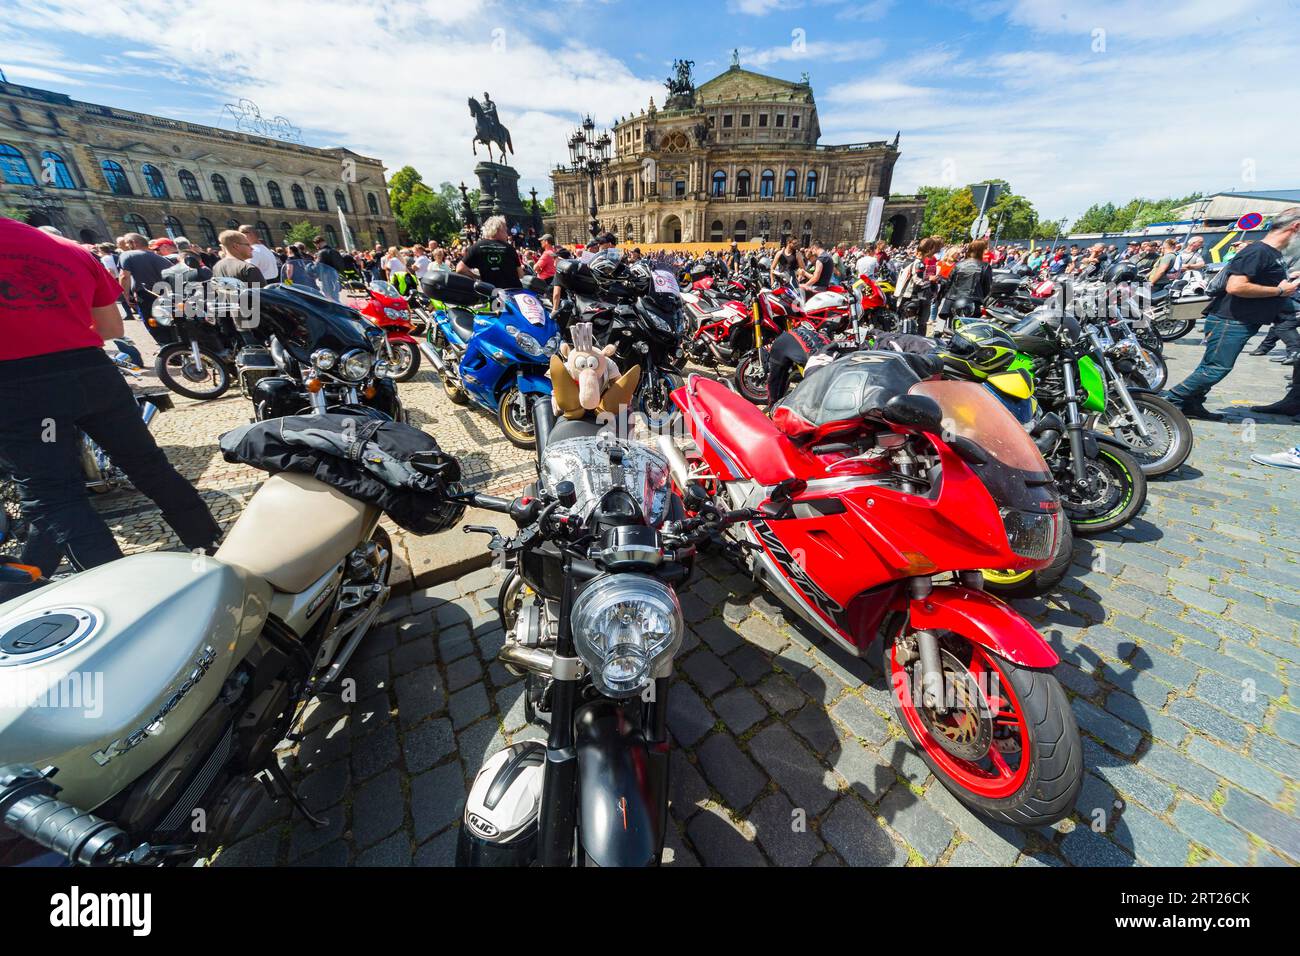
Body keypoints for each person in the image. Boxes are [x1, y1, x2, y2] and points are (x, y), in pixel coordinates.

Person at [0, 217, 221, 593]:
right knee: (149, 467)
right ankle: (209, 547)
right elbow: (112, 329)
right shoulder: (66, 248)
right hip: (91, 373)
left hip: (24, 388)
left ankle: (121, 592)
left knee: (55, 494)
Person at [1163, 207, 1300, 420]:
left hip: (1240, 321)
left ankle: (1191, 404)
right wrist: (1281, 290)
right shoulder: (1258, 251)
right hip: (1230, 321)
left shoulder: (1271, 253)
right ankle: (1167, 401)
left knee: (1211, 366)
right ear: (1296, 227)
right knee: (1217, 368)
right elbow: (1236, 286)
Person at [117, 232, 177, 344]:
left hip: (147, 296)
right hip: (166, 294)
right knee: (169, 324)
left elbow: (124, 277)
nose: (122, 247)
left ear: (133, 243)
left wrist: (126, 296)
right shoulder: (160, 258)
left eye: (125, 243)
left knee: (153, 325)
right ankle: (176, 349)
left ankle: (167, 350)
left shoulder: (127, 255)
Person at [766, 320, 831, 411]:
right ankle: (772, 410)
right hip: (784, 343)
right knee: (775, 389)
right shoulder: (820, 373)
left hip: (812, 344)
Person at [458, 215, 524, 289]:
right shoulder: (509, 248)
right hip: (514, 294)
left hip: (492, 294)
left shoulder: (477, 247)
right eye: (505, 230)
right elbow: (520, 274)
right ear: (498, 230)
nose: (507, 234)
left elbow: (460, 269)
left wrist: (478, 277)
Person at [313, 235, 351, 302]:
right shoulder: (335, 251)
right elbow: (341, 265)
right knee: (335, 297)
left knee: (330, 298)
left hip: (327, 278)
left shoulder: (322, 252)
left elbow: (317, 266)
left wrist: (311, 266)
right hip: (336, 277)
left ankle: (336, 311)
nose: (316, 247)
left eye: (316, 245)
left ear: (318, 243)